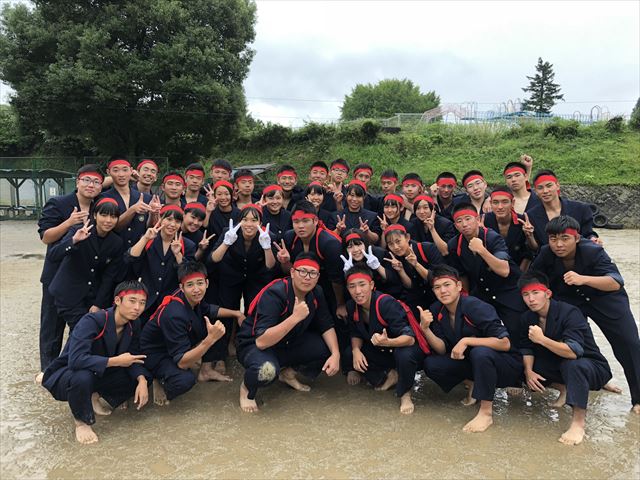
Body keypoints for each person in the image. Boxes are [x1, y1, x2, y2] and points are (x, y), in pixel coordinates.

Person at [530, 215, 640, 413]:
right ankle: (599, 378)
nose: (559, 244)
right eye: (553, 239)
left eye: (565, 238)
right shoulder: (546, 253)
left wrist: (584, 279)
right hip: (571, 301)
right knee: (580, 344)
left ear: (577, 238)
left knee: (629, 344)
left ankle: (638, 399)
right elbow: (532, 279)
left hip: (606, 300)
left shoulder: (593, 250)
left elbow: (615, 281)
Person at [42, 280, 151, 444]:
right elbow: (76, 360)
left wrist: (142, 380)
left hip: (100, 371)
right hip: (68, 373)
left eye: (142, 303)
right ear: (117, 300)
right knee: (82, 377)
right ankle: (81, 422)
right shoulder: (91, 321)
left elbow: (134, 356)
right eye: (132, 301)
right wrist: (116, 361)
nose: (137, 308)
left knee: (143, 376)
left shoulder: (134, 324)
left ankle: (94, 396)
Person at [420, 265, 523, 432]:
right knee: (432, 363)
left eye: (447, 285)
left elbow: (505, 343)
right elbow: (442, 349)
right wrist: (425, 329)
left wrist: (467, 340)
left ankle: (486, 413)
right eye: (437, 287)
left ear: (459, 286)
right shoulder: (436, 309)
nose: (443, 291)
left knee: (480, 352)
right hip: (474, 363)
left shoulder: (474, 306)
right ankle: (474, 384)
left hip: (505, 365)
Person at [236, 253, 341, 413]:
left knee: (328, 347)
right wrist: (295, 318)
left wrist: (336, 354)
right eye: (302, 271)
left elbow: (326, 324)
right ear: (292, 272)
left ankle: (288, 374)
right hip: (254, 345)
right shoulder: (275, 293)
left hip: (287, 341)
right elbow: (261, 341)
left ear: (318, 277)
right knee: (266, 370)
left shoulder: (316, 292)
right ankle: (247, 389)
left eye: (312, 273)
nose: (307, 277)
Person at [518, 271, 612, 445]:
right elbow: (526, 348)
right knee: (521, 365)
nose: (531, 299)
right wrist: (528, 371)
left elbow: (574, 352)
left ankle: (578, 423)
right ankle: (564, 388)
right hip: (558, 363)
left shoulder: (570, 312)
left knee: (573, 365)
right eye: (526, 295)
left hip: (591, 366)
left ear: (548, 293)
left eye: (535, 293)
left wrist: (542, 339)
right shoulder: (527, 317)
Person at [141, 262, 245, 401]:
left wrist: (237, 313)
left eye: (200, 283)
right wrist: (210, 340)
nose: (196, 289)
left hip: (171, 343)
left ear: (207, 283)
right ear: (181, 287)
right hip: (155, 353)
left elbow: (209, 309)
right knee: (185, 380)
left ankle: (205, 370)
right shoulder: (174, 313)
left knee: (215, 323)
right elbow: (182, 363)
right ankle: (159, 379)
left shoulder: (192, 297)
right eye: (190, 285)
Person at [37, 164, 103, 378]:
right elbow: (46, 237)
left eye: (96, 182)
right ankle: (47, 370)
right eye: (86, 180)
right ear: (77, 182)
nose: (91, 185)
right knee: (52, 325)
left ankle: (69, 366)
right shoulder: (59, 203)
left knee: (79, 325)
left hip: (83, 277)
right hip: (57, 274)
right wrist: (68, 222)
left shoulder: (98, 206)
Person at [344, 265, 427, 414]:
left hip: (404, 348)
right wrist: (356, 350)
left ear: (371, 285)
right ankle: (390, 374)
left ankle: (405, 394)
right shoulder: (352, 306)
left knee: (404, 354)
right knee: (350, 351)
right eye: (352, 286)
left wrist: (388, 342)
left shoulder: (385, 303)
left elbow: (410, 339)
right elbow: (355, 332)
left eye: (362, 285)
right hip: (382, 349)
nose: (357, 291)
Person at [446, 202, 527, 346]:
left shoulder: (492, 237)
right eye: (459, 221)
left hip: (507, 291)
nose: (464, 224)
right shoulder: (454, 245)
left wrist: (482, 250)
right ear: (455, 226)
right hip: (482, 294)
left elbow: (504, 270)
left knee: (514, 335)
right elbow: (462, 275)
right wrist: (467, 299)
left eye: (468, 219)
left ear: (478, 219)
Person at [209, 204, 276, 373]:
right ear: (239, 221)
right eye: (245, 219)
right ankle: (220, 355)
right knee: (226, 311)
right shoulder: (229, 232)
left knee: (254, 312)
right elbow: (214, 258)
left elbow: (270, 266)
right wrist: (226, 243)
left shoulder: (267, 235)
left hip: (256, 277)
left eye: (254, 220)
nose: (249, 224)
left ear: (260, 223)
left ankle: (248, 348)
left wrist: (267, 247)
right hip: (230, 275)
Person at [48, 197, 124, 331]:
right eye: (103, 215)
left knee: (85, 333)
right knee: (80, 331)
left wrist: (98, 303)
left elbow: (109, 276)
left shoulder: (116, 242)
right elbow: (53, 255)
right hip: (68, 292)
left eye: (113, 217)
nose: (108, 220)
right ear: (94, 215)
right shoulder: (79, 231)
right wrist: (74, 240)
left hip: (91, 296)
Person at [125, 205, 196, 322]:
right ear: (160, 219)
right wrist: (145, 239)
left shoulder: (188, 245)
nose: (172, 224)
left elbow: (188, 276)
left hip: (170, 303)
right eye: (169, 219)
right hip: (145, 300)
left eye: (177, 221)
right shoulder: (149, 238)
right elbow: (129, 259)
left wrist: (178, 255)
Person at [100, 156, 160, 250]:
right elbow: (112, 227)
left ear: (131, 171)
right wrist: (132, 210)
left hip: (139, 252)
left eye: (125, 170)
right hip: (114, 251)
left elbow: (149, 227)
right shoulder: (104, 197)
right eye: (115, 170)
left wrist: (153, 214)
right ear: (108, 172)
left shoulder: (146, 198)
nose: (121, 174)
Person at [527, 169, 600, 247]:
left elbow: (588, 233)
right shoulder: (531, 215)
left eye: (549, 186)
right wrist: (529, 236)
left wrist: (593, 239)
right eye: (540, 188)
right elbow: (536, 248)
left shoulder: (580, 209)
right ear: (536, 191)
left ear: (557, 186)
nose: (545, 191)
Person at [382, 224, 444, 313]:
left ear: (407, 237)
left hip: (439, 295)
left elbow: (437, 278)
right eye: (390, 244)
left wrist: (416, 264)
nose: (395, 247)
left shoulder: (427, 248)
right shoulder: (395, 259)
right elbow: (410, 286)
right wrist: (401, 271)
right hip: (418, 301)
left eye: (398, 241)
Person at [483, 186, 537, 272]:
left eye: (505, 202)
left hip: (518, 269)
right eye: (495, 202)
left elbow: (533, 249)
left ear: (512, 203)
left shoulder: (523, 221)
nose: (500, 207)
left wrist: (530, 236)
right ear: (490, 203)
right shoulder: (484, 221)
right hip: (491, 268)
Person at [332, 180, 381, 245]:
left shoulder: (372, 216)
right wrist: (338, 230)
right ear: (346, 195)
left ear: (364, 197)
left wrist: (367, 232)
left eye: (358, 196)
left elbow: (376, 239)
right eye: (352, 195)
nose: (354, 199)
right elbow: (328, 238)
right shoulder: (336, 216)